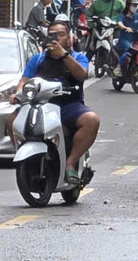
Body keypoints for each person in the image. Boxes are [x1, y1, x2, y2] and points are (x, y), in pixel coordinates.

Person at [11, 14, 99, 185]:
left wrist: (64, 55)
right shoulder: (38, 59)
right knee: (11, 120)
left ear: (69, 38)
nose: (56, 38)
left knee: (91, 120)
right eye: (52, 34)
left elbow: (81, 74)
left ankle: (70, 163)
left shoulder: (78, 57)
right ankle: (25, 159)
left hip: (69, 106)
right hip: (40, 105)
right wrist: (17, 93)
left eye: (60, 34)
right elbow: (24, 80)